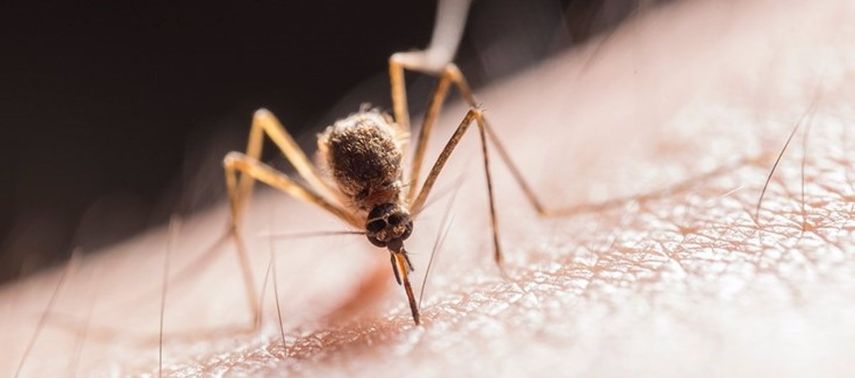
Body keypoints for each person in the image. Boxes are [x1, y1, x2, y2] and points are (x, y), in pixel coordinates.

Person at [4, 0, 854, 376]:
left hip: (381, 149)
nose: (394, 242)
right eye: (388, 231)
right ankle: (230, 310)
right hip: (354, 156)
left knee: (461, 109)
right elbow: (254, 159)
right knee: (249, 150)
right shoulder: (355, 198)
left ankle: (550, 211)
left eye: (392, 230)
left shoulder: (401, 184)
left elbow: (473, 117)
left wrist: (503, 237)